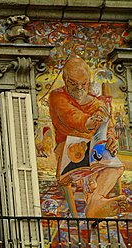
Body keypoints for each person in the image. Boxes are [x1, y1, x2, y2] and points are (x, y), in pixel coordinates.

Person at [49, 57, 126, 218]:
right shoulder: (57, 97)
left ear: (89, 82)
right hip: (67, 148)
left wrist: (111, 139)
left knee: (116, 166)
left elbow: (108, 127)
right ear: (64, 80)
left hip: (93, 149)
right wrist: (89, 121)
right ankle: (95, 201)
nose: (79, 88)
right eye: (73, 83)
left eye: (83, 84)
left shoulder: (97, 102)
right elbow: (71, 116)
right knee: (87, 167)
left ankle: (95, 202)